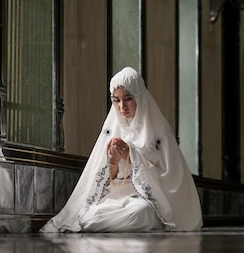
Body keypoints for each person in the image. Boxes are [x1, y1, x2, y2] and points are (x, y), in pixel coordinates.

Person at [39, 67, 203, 233]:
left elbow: (171, 180)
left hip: (147, 202)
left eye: (128, 98)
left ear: (139, 97)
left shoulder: (158, 132)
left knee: (140, 213)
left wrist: (132, 156)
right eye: (116, 100)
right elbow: (108, 181)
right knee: (89, 217)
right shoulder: (113, 130)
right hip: (118, 198)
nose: (122, 106)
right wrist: (114, 161)